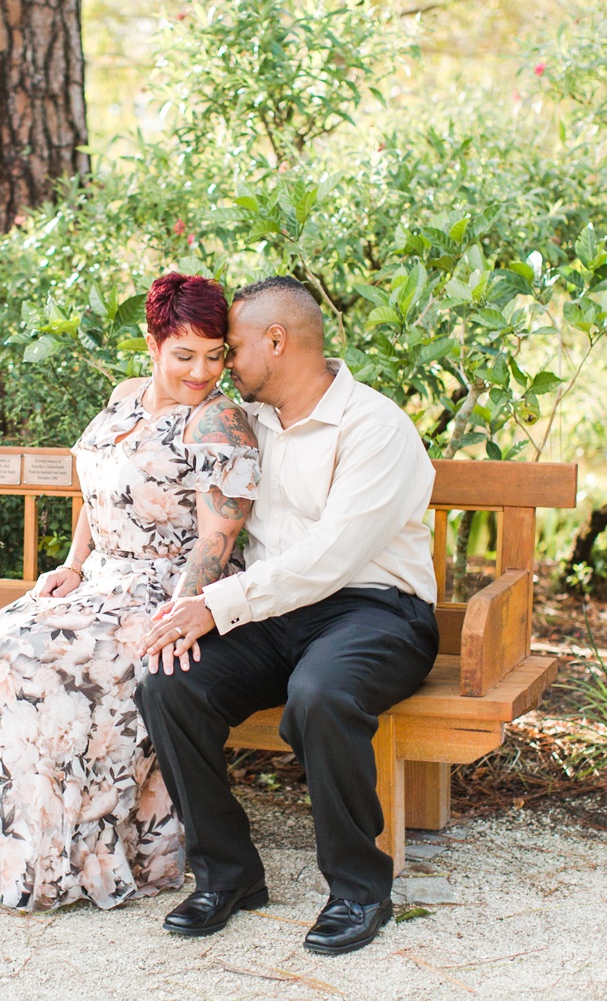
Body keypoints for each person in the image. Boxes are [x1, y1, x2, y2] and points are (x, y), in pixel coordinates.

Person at [0, 272, 261, 913]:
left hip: (169, 590)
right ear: (152, 343)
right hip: (101, 578)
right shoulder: (125, 396)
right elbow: (99, 491)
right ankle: (2, 854)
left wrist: (184, 614)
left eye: (216, 355)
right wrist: (74, 564)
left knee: (32, 662)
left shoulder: (220, 421)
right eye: (185, 355)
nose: (202, 371)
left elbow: (217, 541)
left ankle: (76, 861)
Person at [133, 274, 440, 955]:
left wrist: (215, 605)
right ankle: (229, 875)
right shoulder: (252, 424)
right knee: (168, 682)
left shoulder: (375, 427)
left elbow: (334, 557)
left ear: (277, 340)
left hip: (377, 612)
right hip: (278, 615)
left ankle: (361, 890)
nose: (222, 364)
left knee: (321, 692)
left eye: (232, 348)